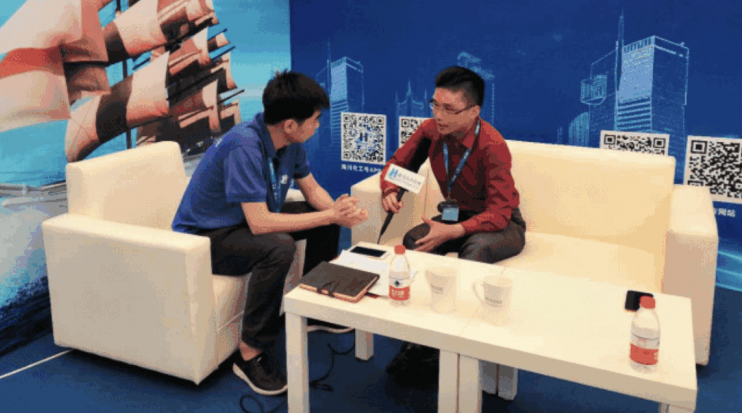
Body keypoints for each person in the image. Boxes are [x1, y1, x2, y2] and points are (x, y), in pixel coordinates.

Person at [172, 71, 368, 396]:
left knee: (324, 219)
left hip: (241, 221)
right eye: (315, 120)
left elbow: (312, 189)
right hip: (203, 237)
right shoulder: (244, 145)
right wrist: (329, 214)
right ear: (290, 124)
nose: (318, 126)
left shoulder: (290, 142)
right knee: (279, 247)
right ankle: (250, 352)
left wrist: (338, 211)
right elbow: (260, 224)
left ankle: (315, 309)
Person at [380, 66, 526, 384]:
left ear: (474, 111)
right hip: (454, 212)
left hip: (501, 223)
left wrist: (455, 231)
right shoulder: (430, 131)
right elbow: (398, 164)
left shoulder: (492, 145)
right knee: (414, 241)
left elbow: (500, 212)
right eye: (435, 105)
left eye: (449, 109)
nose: (439, 115)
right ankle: (420, 334)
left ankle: (456, 344)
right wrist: (389, 189)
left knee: (475, 249)